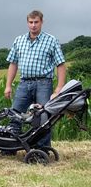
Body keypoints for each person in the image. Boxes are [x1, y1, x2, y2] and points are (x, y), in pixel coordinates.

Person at [4, 10, 66, 150]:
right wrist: (8, 85)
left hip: (43, 83)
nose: (33, 25)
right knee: (15, 114)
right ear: (27, 23)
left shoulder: (51, 40)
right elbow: (13, 64)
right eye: (31, 22)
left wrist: (59, 88)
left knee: (43, 118)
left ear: (42, 22)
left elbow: (61, 65)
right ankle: (9, 148)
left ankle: (42, 149)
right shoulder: (19, 40)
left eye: (36, 22)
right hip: (24, 83)